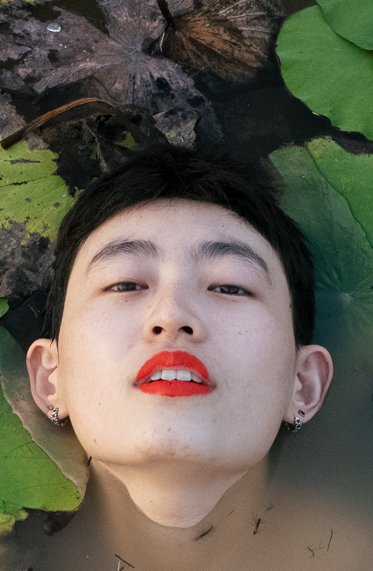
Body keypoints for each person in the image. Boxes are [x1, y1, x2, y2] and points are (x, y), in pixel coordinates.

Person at [24, 147, 334, 530]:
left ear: (303, 383)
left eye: (230, 287)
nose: (171, 317)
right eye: (124, 284)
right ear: (50, 378)